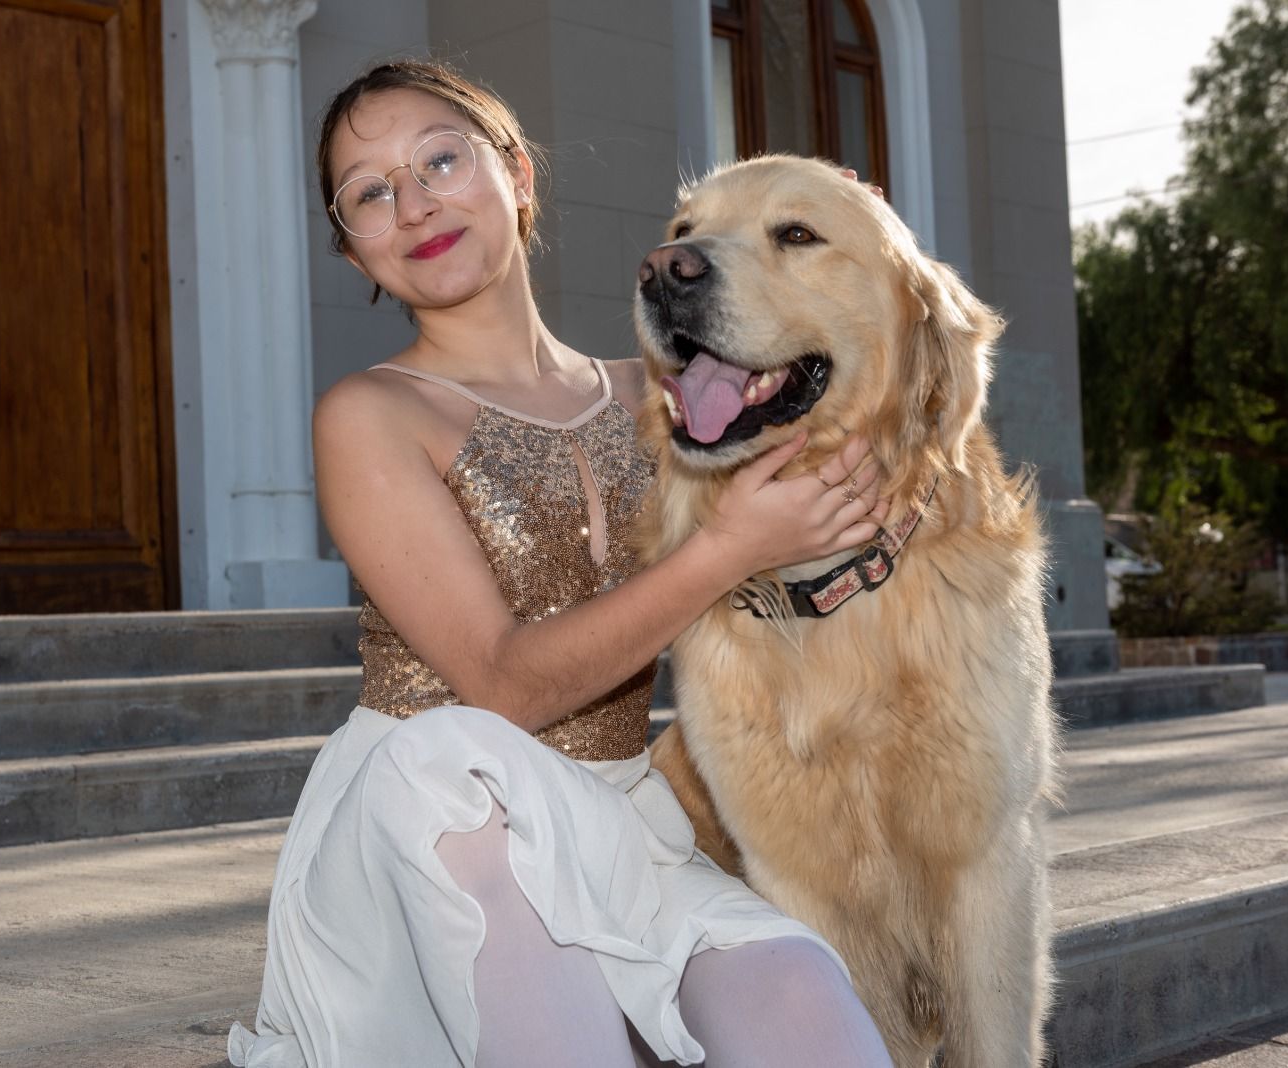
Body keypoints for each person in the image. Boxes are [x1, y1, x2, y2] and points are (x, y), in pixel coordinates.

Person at [229, 60, 893, 1068]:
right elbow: (499, 688)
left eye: (438, 161)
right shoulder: (369, 416)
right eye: (370, 193)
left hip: (620, 816)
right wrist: (729, 547)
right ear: (355, 250)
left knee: (807, 1004)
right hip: (441, 816)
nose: (411, 205)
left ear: (517, 174)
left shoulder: (662, 394)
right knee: (451, 769)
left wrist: (858, 263)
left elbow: (844, 476)